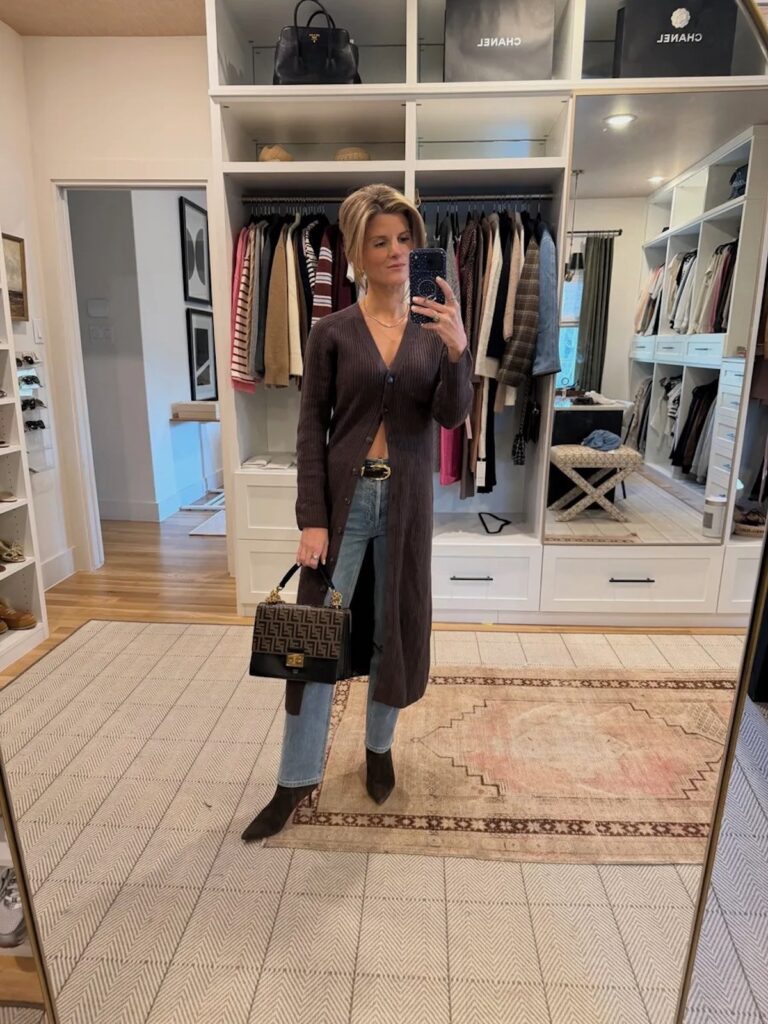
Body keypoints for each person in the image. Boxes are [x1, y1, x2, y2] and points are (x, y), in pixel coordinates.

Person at [242, 184, 473, 841]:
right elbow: (310, 427)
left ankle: (378, 748)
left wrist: (458, 352)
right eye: (380, 242)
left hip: (407, 504)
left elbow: (451, 415)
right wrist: (311, 518)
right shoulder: (331, 332)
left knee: (393, 632)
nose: (396, 251)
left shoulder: (436, 325)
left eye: (404, 239)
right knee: (315, 640)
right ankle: (293, 780)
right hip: (344, 505)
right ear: (356, 252)